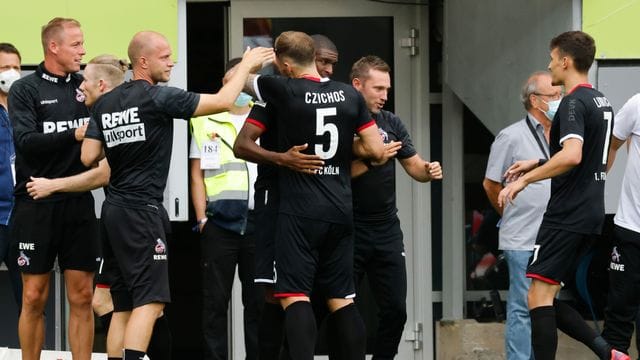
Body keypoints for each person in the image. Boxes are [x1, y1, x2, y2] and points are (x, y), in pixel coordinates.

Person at [80, 30, 273, 360]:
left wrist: (124, 141)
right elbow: (225, 100)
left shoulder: (106, 102)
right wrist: (249, 65)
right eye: (165, 56)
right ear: (143, 61)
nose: (172, 61)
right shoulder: (159, 98)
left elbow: (88, 156)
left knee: (123, 303)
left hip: (113, 212)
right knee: (150, 301)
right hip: (142, 212)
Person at [234, 30, 384, 360]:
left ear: (284, 64)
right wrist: (340, 152)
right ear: (315, 59)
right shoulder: (349, 96)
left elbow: (234, 82)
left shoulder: (280, 91)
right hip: (340, 207)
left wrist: (250, 61)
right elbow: (375, 150)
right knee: (341, 298)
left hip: (297, 210)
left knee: (290, 295)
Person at [497, 31, 627, 360]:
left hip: (566, 214)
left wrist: (525, 181)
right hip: (590, 212)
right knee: (543, 298)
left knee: (537, 299)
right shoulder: (601, 100)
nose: (549, 63)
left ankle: (604, 352)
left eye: (552, 58)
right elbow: (594, 159)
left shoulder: (572, 102)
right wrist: (538, 162)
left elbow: (572, 156)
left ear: (565, 61)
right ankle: (608, 352)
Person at [8, 18, 99, 360]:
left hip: (78, 202)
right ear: (53, 47)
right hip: (36, 202)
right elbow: (27, 143)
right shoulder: (26, 89)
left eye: (82, 43)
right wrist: (75, 134)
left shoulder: (86, 85)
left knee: (82, 296)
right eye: (76, 44)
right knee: (33, 296)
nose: (83, 50)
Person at [349, 55, 442, 359]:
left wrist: (428, 171)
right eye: (377, 88)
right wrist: (372, 159)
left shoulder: (391, 122)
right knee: (340, 308)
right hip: (349, 227)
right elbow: (335, 174)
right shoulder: (342, 118)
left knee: (396, 311)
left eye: (387, 89)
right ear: (357, 85)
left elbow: (414, 167)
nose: (384, 95)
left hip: (386, 228)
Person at [483, 71, 559, 360]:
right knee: (521, 306)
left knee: (548, 307)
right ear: (535, 100)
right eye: (553, 96)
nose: (559, 100)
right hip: (522, 236)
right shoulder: (511, 136)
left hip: (555, 236)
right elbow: (491, 184)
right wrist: (510, 213)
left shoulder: (565, 135)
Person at [189, 57, 261, 360]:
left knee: (258, 304)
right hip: (220, 223)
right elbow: (196, 173)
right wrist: (202, 217)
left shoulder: (264, 118)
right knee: (215, 303)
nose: (244, 87)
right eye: (239, 80)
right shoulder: (205, 119)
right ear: (226, 82)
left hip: (258, 222)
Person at [601, 92, 640, 354]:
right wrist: (594, 187)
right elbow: (612, 145)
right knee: (618, 314)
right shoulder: (638, 104)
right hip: (631, 228)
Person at [0, 42, 22, 314]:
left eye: (17, 67)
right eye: (5, 67)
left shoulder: (26, 109)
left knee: (31, 299)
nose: (12, 73)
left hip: (24, 217)